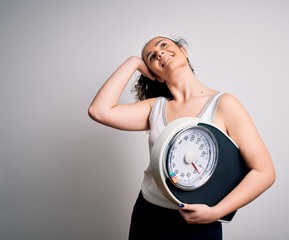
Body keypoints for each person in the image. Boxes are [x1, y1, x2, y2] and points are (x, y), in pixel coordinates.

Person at [88, 35, 276, 240]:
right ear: (155, 75)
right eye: (151, 57)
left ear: (183, 51)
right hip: (149, 214)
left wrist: (217, 212)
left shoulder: (223, 104)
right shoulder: (155, 108)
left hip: (201, 220)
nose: (159, 52)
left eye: (163, 45)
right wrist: (133, 62)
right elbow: (99, 111)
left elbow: (264, 172)